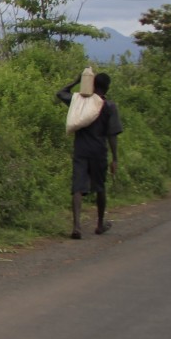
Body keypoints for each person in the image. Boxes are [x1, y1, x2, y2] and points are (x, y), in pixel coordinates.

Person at [55, 70, 123, 238]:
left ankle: (77, 226)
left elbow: (60, 93)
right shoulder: (108, 106)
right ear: (107, 88)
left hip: (81, 150)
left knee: (77, 188)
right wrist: (115, 158)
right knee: (100, 187)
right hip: (99, 151)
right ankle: (100, 224)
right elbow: (112, 135)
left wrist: (76, 81)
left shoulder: (80, 102)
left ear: (92, 84)